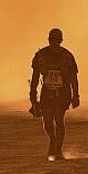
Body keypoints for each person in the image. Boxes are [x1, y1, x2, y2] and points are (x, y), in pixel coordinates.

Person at [29, 28, 80, 161]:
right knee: (47, 122)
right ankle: (53, 140)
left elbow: (74, 77)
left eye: (57, 40)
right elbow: (35, 76)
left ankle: (57, 149)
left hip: (63, 92)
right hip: (46, 91)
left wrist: (76, 95)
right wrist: (32, 94)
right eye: (52, 40)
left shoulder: (67, 55)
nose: (55, 43)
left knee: (59, 119)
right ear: (49, 40)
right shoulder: (41, 55)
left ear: (61, 41)